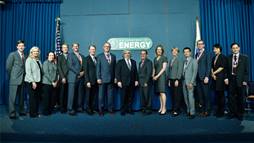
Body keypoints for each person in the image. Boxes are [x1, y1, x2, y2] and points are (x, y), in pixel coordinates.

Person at [224, 42, 249, 121]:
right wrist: (226, 78)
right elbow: (226, 70)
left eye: (236, 48)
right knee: (231, 98)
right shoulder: (228, 57)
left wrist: (245, 80)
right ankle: (232, 113)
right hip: (231, 80)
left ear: (239, 48)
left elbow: (246, 71)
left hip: (241, 81)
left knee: (240, 98)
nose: (235, 49)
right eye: (233, 48)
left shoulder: (245, 57)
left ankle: (240, 114)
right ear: (231, 49)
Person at [6, 40, 26, 119]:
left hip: (22, 80)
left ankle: (21, 111)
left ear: (24, 47)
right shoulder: (12, 54)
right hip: (14, 79)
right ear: (17, 47)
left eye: (22, 45)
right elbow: (8, 67)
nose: (21, 47)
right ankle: (12, 113)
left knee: (21, 97)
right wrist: (12, 76)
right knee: (12, 97)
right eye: (20, 45)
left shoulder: (25, 55)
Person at [116, 50, 138, 116]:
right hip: (123, 83)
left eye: (128, 53)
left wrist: (136, 80)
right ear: (123, 54)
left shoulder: (134, 62)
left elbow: (135, 72)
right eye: (126, 53)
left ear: (130, 54)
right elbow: (117, 72)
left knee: (131, 97)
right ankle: (123, 110)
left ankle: (130, 109)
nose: (127, 54)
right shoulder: (120, 62)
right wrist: (119, 81)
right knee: (123, 97)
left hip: (132, 83)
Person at [96, 42, 116, 116]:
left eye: (108, 46)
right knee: (101, 96)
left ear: (110, 47)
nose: (107, 47)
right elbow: (98, 68)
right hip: (102, 79)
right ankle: (101, 110)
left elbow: (114, 68)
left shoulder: (113, 56)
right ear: (103, 47)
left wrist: (115, 78)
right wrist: (98, 78)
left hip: (111, 79)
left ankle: (110, 109)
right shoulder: (99, 56)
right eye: (105, 46)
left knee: (110, 95)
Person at [67, 43, 85, 115]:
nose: (76, 47)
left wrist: (83, 72)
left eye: (77, 46)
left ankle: (79, 107)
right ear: (72, 48)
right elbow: (70, 66)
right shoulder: (70, 55)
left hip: (81, 78)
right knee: (71, 94)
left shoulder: (82, 56)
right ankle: (70, 109)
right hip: (73, 77)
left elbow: (84, 66)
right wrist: (78, 73)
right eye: (74, 46)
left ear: (78, 47)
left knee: (79, 93)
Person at [195, 40, 211, 117]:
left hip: (204, 78)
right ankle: (202, 110)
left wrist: (207, 76)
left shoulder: (207, 54)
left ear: (204, 45)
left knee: (206, 95)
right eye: (198, 44)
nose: (200, 45)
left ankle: (207, 110)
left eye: (201, 44)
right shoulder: (196, 54)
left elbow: (208, 66)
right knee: (200, 95)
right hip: (197, 78)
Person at [24, 46, 43, 118]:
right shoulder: (29, 60)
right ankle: (32, 113)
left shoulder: (38, 60)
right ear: (31, 52)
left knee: (37, 98)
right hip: (31, 82)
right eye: (34, 51)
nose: (36, 52)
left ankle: (36, 112)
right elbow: (28, 72)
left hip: (38, 81)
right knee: (32, 98)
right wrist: (33, 82)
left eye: (37, 51)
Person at [211, 44, 227, 118]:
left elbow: (222, 67)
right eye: (214, 49)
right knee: (216, 96)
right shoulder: (214, 57)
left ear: (219, 49)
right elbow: (212, 67)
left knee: (221, 96)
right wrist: (213, 74)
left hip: (220, 78)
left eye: (215, 49)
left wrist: (214, 73)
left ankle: (222, 111)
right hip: (214, 79)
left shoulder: (223, 57)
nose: (214, 50)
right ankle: (217, 111)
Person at [182, 47, 198, 119]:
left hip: (190, 82)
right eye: (184, 52)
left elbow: (195, 72)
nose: (186, 53)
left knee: (190, 97)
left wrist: (191, 82)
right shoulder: (184, 61)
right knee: (185, 97)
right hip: (183, 81)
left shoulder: (194, 61)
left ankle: (192, 113)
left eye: (187, 52)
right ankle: (188, 111)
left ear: (190, 52)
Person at [167, 47, 183, 117]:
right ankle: (175, 108)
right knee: (173, 95)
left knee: (177, 95)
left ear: (178, 52)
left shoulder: (179, 59)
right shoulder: (171, 60)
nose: (174, 52)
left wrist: (177, 79)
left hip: (177, 80)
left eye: (175, 51)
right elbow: (169, 71)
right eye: (173, 51)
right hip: (171, 80)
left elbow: (180, 70)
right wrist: (169, 80)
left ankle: (176, 110)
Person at [153, 45, 168, 115]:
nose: (159, 50)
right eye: (158, 49)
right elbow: (154, 68)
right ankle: (161, 107)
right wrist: (153, 75)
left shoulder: (164, 58)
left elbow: (164, 68)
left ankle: (164, 108)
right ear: (156, 51)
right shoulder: (155, 58)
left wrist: (157, 76)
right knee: (159, 93)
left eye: (160, 49)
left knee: (162, 92)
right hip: (156, 77)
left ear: (162, 50)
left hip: (161, 76)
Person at [138, 50, 153, 115]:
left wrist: (146, 81)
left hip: (146, 82)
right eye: (141, 54)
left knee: (147, 96)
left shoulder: (149, 62)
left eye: (144, 54)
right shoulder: (140, 62)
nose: (142, 55)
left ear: (147, 55)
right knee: (142, 96)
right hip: (140, 82)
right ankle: (143, 108)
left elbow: (149, 73)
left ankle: (148, 109)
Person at [85, 45, 98, 115]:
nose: (93, 50)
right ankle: (88, 109)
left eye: (94, 49)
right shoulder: (86, 59)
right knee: (88, 96)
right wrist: (87, 81)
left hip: (95, 81)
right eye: (91, 49)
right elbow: (86, 71)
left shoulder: (96, 58)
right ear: (89, 50)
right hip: (89, 81)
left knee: (93, 96)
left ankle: (92, 108)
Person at [57, 44, 69, 113]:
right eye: (64, 48)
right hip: (63, 78)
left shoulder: (70, 56)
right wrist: (63, 77)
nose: (65, 49)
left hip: (69, 77)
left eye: (66, 47)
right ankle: (61, 107)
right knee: (62, 93)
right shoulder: (59, 57)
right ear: (61, 49)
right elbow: (59, 67)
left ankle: (66, 106)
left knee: (67, 93)